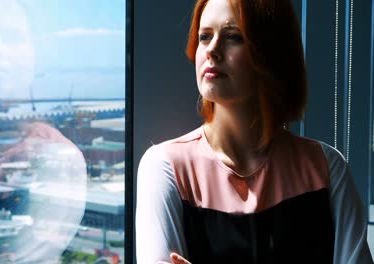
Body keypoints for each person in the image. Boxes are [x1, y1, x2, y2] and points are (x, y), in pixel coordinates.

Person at [135, 0, 374, 263]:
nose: (211, 50)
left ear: (271, 52)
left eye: (233, 37)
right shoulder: (165, 167)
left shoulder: (326, 169)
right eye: (204, 36)